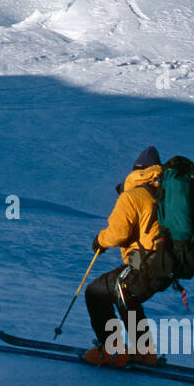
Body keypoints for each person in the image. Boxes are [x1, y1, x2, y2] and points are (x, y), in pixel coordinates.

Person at [82, 145, 175, 367]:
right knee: (125, 295)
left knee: (96, 292)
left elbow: (117, 234)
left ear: (136, 170)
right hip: (165, 267)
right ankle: (144, 353)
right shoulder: (166, 195)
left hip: (143, 265)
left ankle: (112, 350)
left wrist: (99, 241)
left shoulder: (133, 196)